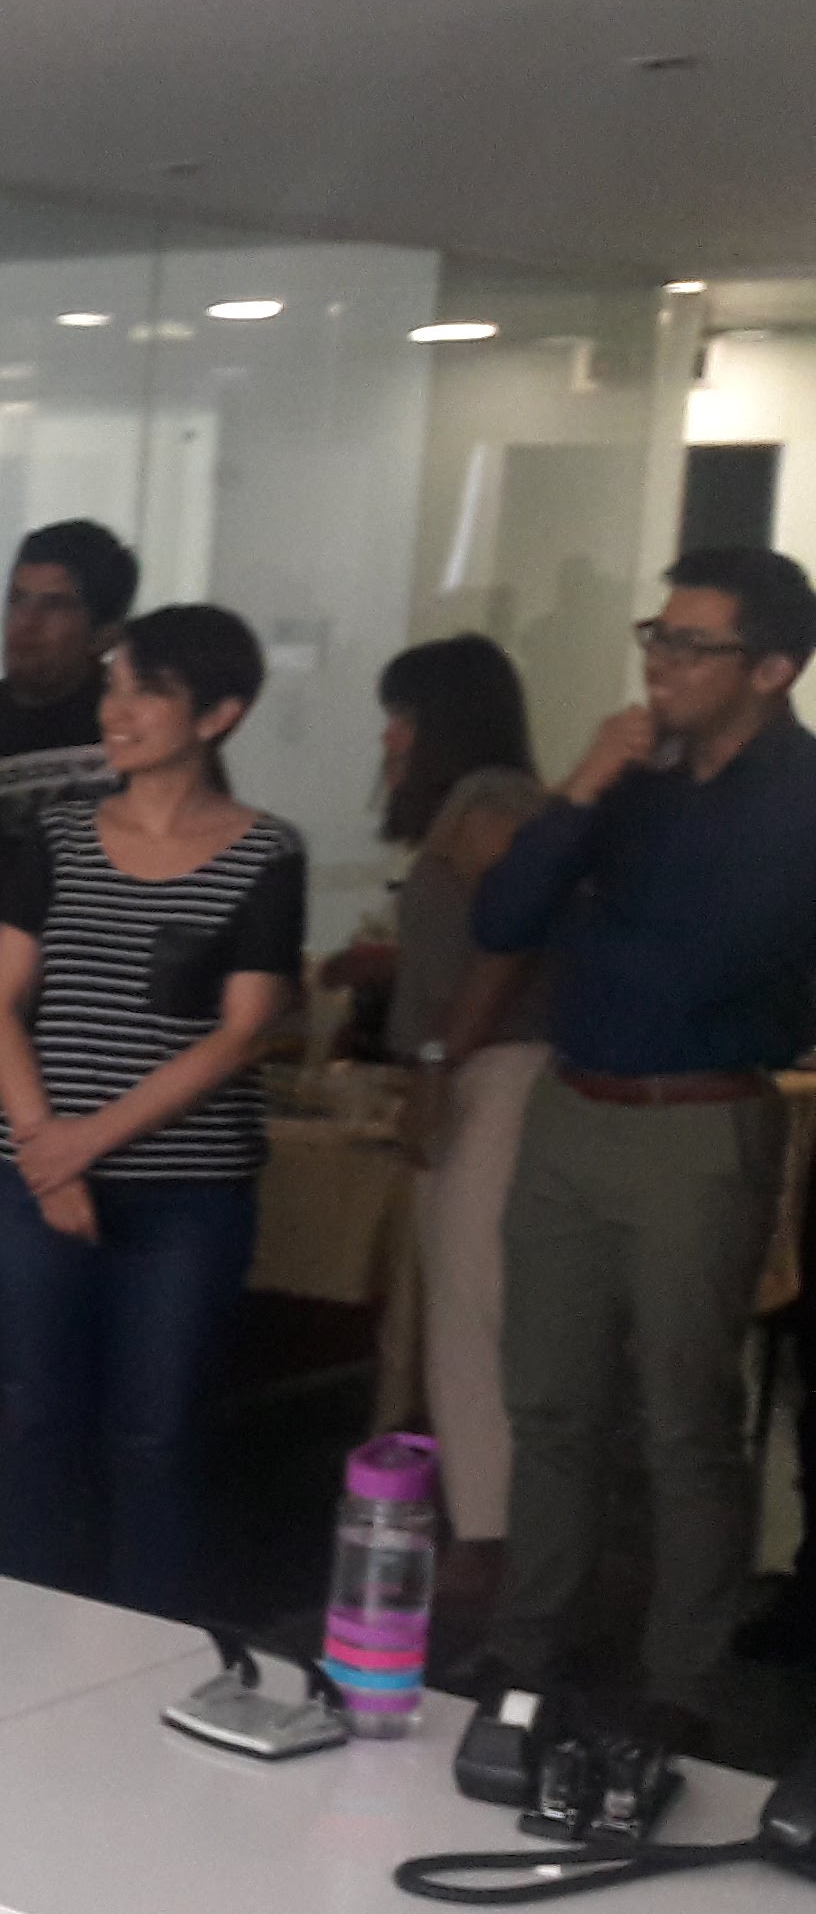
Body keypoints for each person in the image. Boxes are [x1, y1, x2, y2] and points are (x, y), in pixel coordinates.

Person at [474, 547, 816, 1696]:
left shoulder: (802, 795)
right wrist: (580, 789)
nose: (661, 663)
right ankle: (527, 1647)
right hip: (572, 1108)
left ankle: (682, 1681)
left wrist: (594, 920)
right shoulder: (630, 776)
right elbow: (502, 918)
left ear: (771, 668)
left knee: (684, 1422)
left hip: (698, 1125)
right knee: (550, 1406)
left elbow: (700, 962)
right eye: (656, 636)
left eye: (692, 645)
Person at [0, 603, 307, 1619]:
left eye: (146, 691)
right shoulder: (58, 833)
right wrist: (48, 1154)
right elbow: (1, 1005)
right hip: (34, 1175)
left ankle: (146, 1649)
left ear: (219, 715)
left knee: (155, 1434)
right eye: (114, 687)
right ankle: (12, 1643)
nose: (115, 711)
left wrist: (84, 1144)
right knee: (33, 1420)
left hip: (187, 1193)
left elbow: (242, 1033)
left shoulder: (265, 851)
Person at [359, 634, 550, 1630]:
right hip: (478, 1070)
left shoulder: (490, 803)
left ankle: (490, 1541)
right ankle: (479, 1526)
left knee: (473, 1310)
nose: (389, 738)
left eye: (403, 717)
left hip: (498, 1075)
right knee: (455, 1305)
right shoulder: (469, 806)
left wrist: (441, 1056)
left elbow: (515, 941)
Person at [0, 519, 142, 880]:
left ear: (105, 636)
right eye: (17, 599)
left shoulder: (140, 731)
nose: (25, 623)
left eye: (55, 606)